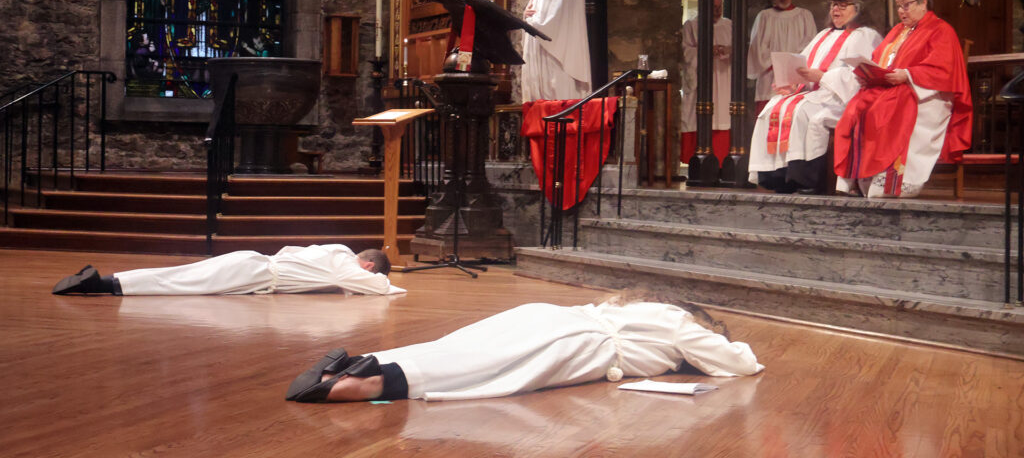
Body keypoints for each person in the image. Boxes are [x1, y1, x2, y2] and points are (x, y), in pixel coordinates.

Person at [285, 300, 764, 403]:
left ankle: (353, 362)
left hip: (548, 315)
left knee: (460, 347)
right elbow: (738, 363)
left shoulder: (634, 305)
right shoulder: (680, 325)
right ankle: (362, 384)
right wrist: (722, 341)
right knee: (478, 369)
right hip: (578, 345)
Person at [834, 0, 972, 198]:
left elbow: (943, 70)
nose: (901, 10)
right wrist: (868, 75)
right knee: (856, 107)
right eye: (899, 5)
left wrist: (907, 75)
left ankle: (889, 181)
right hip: (893, 89)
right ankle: (856, 178)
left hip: (926, 95)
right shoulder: (897, 31)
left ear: (923, 2)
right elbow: (879, 59)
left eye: (906, 4)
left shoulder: (941, 30)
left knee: (883, 110)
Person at [748, 0, 883, 193]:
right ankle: (777, 176)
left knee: (805, 113)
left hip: (842, 98)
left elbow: (860, 76)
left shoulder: (865, 35)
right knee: (773, 106)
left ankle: (806, 178)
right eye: (832, 5)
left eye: (842, 5)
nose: (835, 10)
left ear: (858, 8)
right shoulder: (823, 35)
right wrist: (792, 84)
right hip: (815, 93)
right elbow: (804, 65)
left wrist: (823, 77)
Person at [51, 245, 403, 296]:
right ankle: (103, 285)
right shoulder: (346, 263)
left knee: (184, 275)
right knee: (185, 283)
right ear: (369, 264)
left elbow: (288, 251)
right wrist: (389, 284)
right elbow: (371, 286)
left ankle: (109, 281)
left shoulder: (332, 249)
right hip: (258, 274)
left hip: (257, 261)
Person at [747, 0, 818, 113]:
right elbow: (757, 47)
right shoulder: (764, 16)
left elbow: (811, 45)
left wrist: (790, 63)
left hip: (796, 75)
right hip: (769, 75)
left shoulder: (804, 16)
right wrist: (774, 62)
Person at [680, 0, 732, 164]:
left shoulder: (730, 25)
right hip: (701, 80)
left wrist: (726, 51)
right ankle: (696, 162)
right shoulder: (692, 26)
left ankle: (722, 161)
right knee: (697, 116)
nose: (717, 11)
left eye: (719, 7)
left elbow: (738, 51)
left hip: (724, 78)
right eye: (713, 7)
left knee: (722, 116)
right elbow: (686, 52)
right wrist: (707, 50)